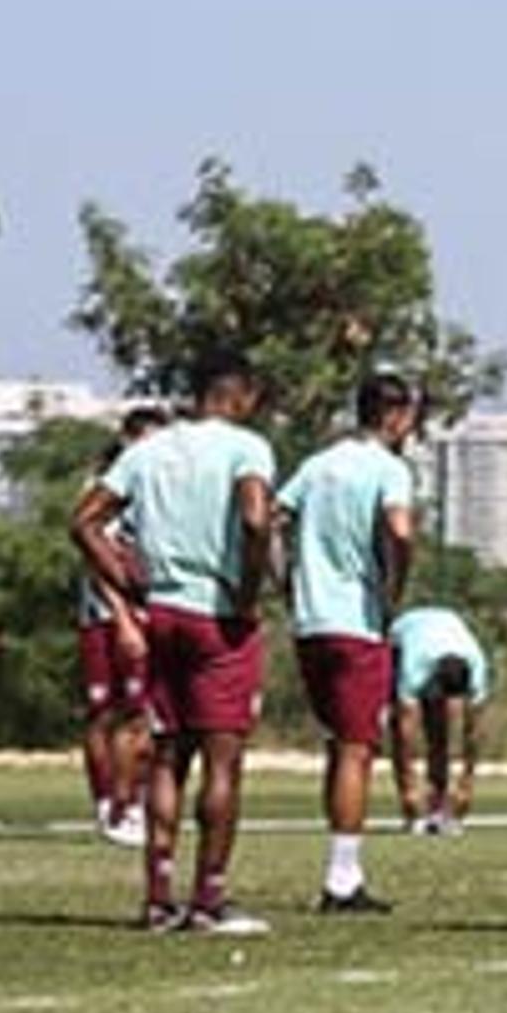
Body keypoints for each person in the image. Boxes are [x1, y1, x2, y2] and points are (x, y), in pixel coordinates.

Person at [73, 356, 277, 934]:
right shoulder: (247, 448)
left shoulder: (148, 450)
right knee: (222, 759)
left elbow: (83, 521)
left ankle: (158, 897)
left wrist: (123, 578)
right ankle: (209, 898)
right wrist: (248, 588)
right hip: (217, 615)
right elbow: (257, 520)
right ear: (241, 397)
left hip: (160, 611)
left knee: (167, 754)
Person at [279, 372, 422, 913]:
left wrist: (283, 581)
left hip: (310, 619)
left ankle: (343, 868)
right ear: (395, 416)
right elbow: (402, 531)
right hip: (356, 621)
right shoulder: (389, 468)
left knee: (338, 746)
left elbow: (273, 517)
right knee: (358, 750)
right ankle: (342, 879)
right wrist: (394, 587)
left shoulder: (318, 464)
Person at [75, 406, 167, 847]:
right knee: (110, 713)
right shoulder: (107, 488)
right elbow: (96, 557)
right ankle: (113, 805)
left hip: (146, 611)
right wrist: (124, 617)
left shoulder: (154, 489)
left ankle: (129, 801)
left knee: (140, 712)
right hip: (105, 617)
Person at [386, 604, 490, 833]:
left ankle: (438, 808)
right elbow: (405, 733)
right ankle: (412, 811)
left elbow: (475, 732)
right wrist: (410, 787)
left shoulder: (477, 668)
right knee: (400, 727)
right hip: (401, 635)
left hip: (448, 624)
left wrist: (466, 782)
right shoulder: (414, 665)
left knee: (439, 728)